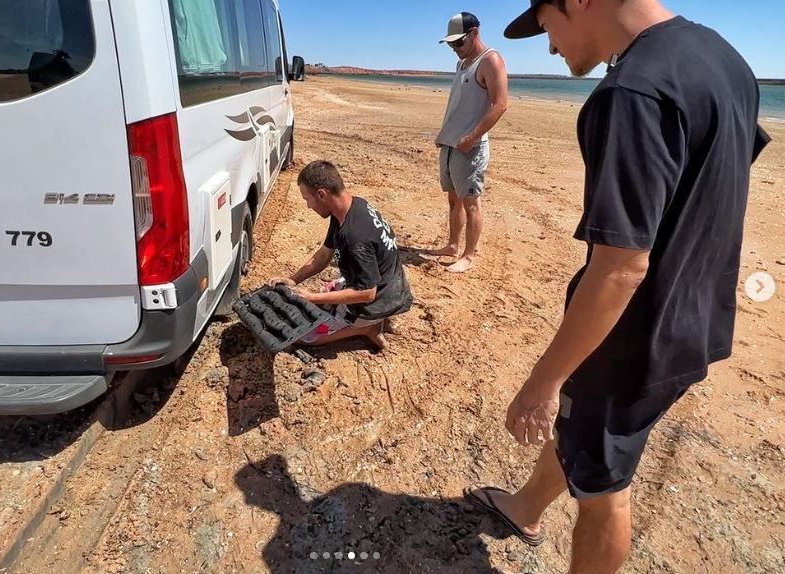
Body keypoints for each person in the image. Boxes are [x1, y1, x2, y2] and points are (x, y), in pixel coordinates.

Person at [462, 1, 772, 573]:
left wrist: (542, 381)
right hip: (698, 316)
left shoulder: (631, 92)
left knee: (606, 487)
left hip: (633, 335)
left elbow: (620, 267)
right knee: (586, 428)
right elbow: (719, 173)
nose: (551, 47)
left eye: (548, 27)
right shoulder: (725, 59)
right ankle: (526, 508)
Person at [269, 160, 412, 350]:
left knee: (306, 337)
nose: (308, 207)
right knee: (328, 291)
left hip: (378, 300)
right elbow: (325, 254)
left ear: (321, 194)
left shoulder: (354, 237)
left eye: (307, 200)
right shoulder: (350, 207)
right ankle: (357, 318)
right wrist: (293, 280)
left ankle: (366, 328)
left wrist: (311, 298)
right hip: (390, 283)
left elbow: (367, 293)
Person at [425, 12, 508, 273]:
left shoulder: (490, 60)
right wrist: (447, 136)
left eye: (458, 43)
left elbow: (500, 104)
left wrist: (472, 137)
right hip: (451, 144)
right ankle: (452, 245)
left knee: (471, 202)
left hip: (470, 146)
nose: (454, 49)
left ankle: (468, 256)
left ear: (474, 33)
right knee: (454, 200)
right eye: (451, 45)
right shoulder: (462, 64)